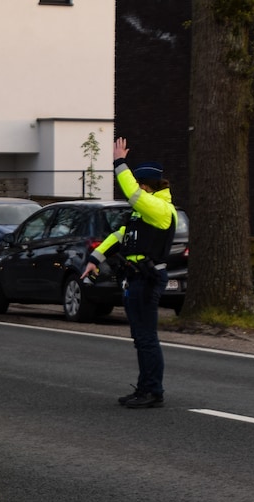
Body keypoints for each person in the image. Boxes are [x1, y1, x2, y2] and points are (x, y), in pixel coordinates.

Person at [81, 137, 178, 409]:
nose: (135, 192)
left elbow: (130, 191)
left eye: (140, 186)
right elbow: (118, 236)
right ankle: (145, 387)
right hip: (135, 278)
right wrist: (94, 259)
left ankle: (153, 391)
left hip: (148, 279)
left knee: (146, 337)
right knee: (140, 337)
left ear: (146, 187)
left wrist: (119, 163)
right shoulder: (141, 215)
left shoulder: (159, 209)